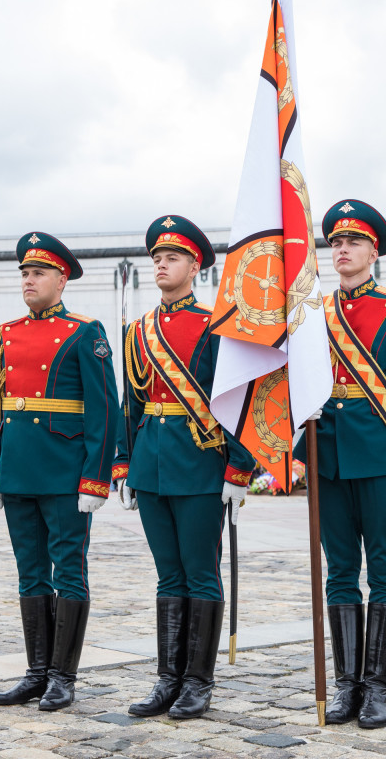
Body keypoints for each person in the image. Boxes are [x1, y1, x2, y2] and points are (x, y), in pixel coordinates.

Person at [112, 215, 256, 721]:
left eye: (171, 257)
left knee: (200, 574)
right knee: (167, 576)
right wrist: (123, 463)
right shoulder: (139, 331)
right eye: (156, 258)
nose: (161, 265)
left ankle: (198, 682)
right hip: (151, 462)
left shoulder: (218, 322)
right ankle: (167, 680)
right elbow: (130, 402)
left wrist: (240, 469)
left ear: (195, 265)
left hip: (199, 462)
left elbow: (240, 400)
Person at [295, 200, 386, 729]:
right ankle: (347, 683)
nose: (343, 249)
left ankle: (378, 687)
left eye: (353, 242)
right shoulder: (312, 313)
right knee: (341, 574)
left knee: (385, 572)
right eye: (335, 243)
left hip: (380, 459)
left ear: (374, 251)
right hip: (327, 458)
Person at [0, 231, 118, 712]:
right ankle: (35, 673)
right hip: (19, 470)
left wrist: (96, 477)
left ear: (61, 279)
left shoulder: (85, 331)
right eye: (24, 273)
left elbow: (105, 409)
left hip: (64, 472)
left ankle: (64, 677)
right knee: (30, 574)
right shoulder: (7, 332)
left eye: (38, 272)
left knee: (70, 573)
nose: (28, 280)